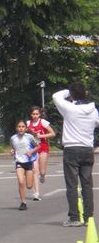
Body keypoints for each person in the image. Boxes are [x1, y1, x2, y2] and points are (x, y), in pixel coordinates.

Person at [52, 82, 99, 227]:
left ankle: (74, 217)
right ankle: (88, 217)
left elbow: (56, 95)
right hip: (87, 149)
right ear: (85, 93)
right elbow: (96, 123)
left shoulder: (69, 108)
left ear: (72, 95)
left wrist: (70, 92)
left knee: (72, 185)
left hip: (72, 149)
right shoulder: (94, 110)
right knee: (87, 184)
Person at [27, 105, 56, 200]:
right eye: (33, 114)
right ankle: (36, 193)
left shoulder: (43, 122)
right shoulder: (28, 123)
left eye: (37, 114)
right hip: (34, 148)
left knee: (42, 171)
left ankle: (43, 176)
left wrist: (41, 136)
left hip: (43, 147)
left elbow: (53, 133)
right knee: (35, 170)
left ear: (39, 114)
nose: (35, 116)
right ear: (31, 115)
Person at [10, 120, 40, 210]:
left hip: (29, 162)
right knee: (20, 182)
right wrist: (12, 152)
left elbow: (38, 146)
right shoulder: (13, 138)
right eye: (19, 126)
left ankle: (29, 177)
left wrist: (31, 151)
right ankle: (23, 202)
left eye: (23, 127)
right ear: (16, 128)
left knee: (29, 186)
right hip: (19, 162)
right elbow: (13, 148)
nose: (21, 128)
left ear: (26, 128)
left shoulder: (29, 137)